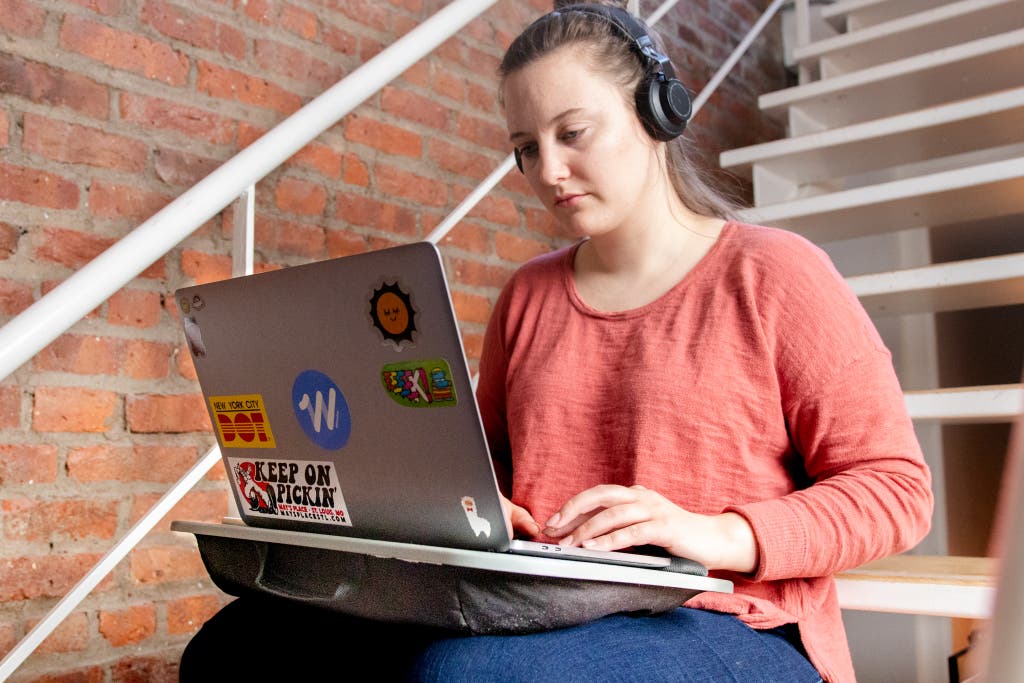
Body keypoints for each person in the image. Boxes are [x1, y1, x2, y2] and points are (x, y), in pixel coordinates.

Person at [180, 3, 932, 681]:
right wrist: (480, 508)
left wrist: (711, 531)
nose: (549, 171)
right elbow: (489, 467)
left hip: (728, 617)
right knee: (238, 646)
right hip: (535, 606)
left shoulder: (775, 273)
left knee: (469, 677)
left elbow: (897, 491)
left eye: (572, 133)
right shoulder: (528, 294)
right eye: (525, 148)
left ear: (655, 112)